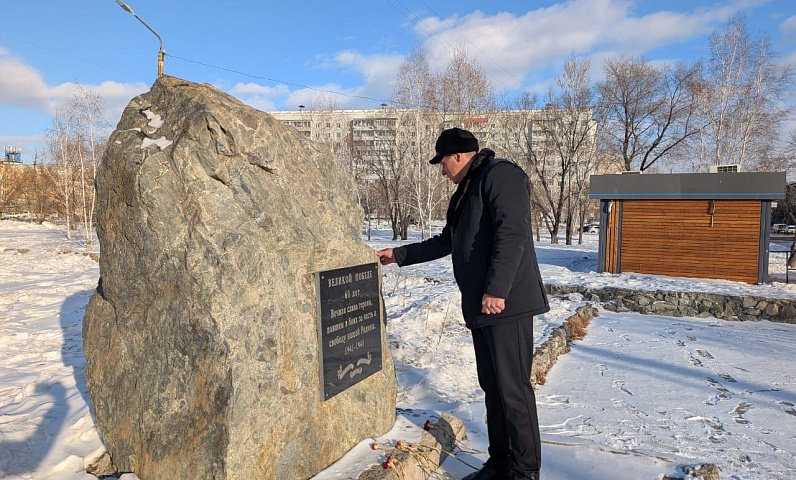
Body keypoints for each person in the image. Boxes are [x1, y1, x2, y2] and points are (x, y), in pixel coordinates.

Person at [375, 127, 549, 480]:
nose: (441, 171)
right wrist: (399, 254)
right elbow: (447, 241)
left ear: (457, 155)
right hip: (482, 307)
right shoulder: (467, 190)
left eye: (442, 162)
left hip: (507, 305)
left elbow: (512, 234)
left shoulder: (501, 176)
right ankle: (500, 464)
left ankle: (525, 472)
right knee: (493, 388)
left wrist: (497, 289)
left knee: (513, 391)